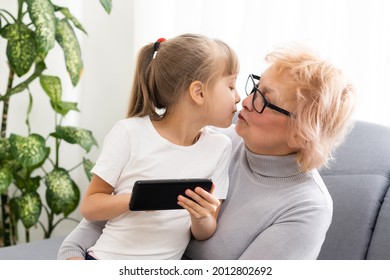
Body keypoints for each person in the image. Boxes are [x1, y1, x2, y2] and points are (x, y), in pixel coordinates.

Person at [58, 43, 355, 260]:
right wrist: (72, 257)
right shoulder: (216, 138)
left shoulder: (307, 207)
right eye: (255, 87)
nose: (246, 102)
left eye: (265, 100)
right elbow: (106, 214)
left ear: (301, 132)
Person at [76, 33, 241, 260]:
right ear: (199, 92)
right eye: (231, 86)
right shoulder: (129, 133)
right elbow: (90, 207)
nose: (239, 97)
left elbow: (204, 232)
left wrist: (201, 218)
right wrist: (137, 199)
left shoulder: (220, 147)